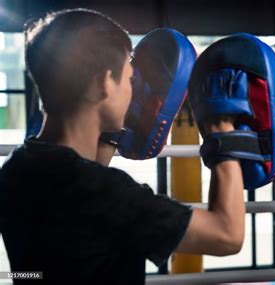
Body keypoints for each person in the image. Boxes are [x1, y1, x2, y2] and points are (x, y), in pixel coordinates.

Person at [0, 9, 245, 285]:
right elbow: (227, 235)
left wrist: (113, 128)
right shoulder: (108, 194)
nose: (133, 90)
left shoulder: (15, 169)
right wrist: (222, 131)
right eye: (129, 80)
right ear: (105, 83)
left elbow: (79, 201)